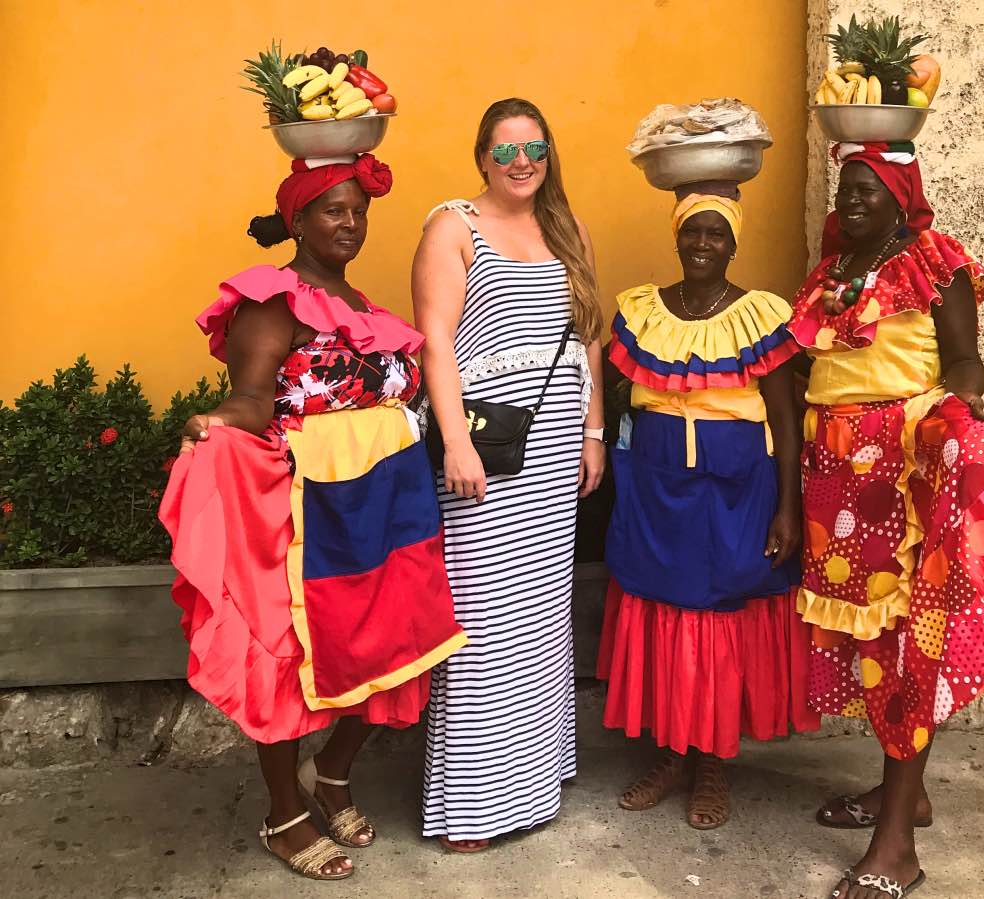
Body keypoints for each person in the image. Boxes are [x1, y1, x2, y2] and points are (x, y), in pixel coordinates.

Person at [159, 154, 465, 881]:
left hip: (389, 503)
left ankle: (331, 773)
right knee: (291, 657)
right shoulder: (273, 301)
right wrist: (217, 421)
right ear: (297, 220)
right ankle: (282, 813)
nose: (351, 223)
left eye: (358, 211)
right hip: (313, 508)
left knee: (393, 641)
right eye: (333, 210)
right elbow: (255, 398)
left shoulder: (364, 308)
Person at [788, 142, 984, 899]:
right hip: (839, 494)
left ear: (902, 193)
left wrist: (951, 412)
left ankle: (896, 845)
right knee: (874, 645)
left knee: (913, 647)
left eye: (869, 190)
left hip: (905, 483)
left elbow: (968, 364)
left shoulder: (935, 262)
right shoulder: (831, 274)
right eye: (846, 190)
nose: (853, 202)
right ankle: (907, 795)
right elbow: (823, 369)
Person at [412, 98, 605, 852]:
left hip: (555, 454)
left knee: (538, 616)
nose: (521, 161)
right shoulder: (452, 227)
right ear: (481, 158)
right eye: (505, 150)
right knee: (484, 623)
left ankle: (531, 780)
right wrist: (453, 441)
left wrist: (593, 431)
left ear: (549, 152)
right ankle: (473, 805)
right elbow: (435, 342)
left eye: (534, 147)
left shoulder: (568, 229)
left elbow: (589, 333)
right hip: (487, 457)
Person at [597, 191, 820, 830]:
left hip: (738, 489)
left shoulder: (759, 316)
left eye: (716, 235)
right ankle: (670, 756)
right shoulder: (642, 312)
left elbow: (784, 416)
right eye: (692, 232)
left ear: (733, 244)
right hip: (656, 488)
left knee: (719, 616)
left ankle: (715, 761)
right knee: (664, 609)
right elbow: (619, 399)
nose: (702, 245)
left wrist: (787, 509)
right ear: (677, 236)